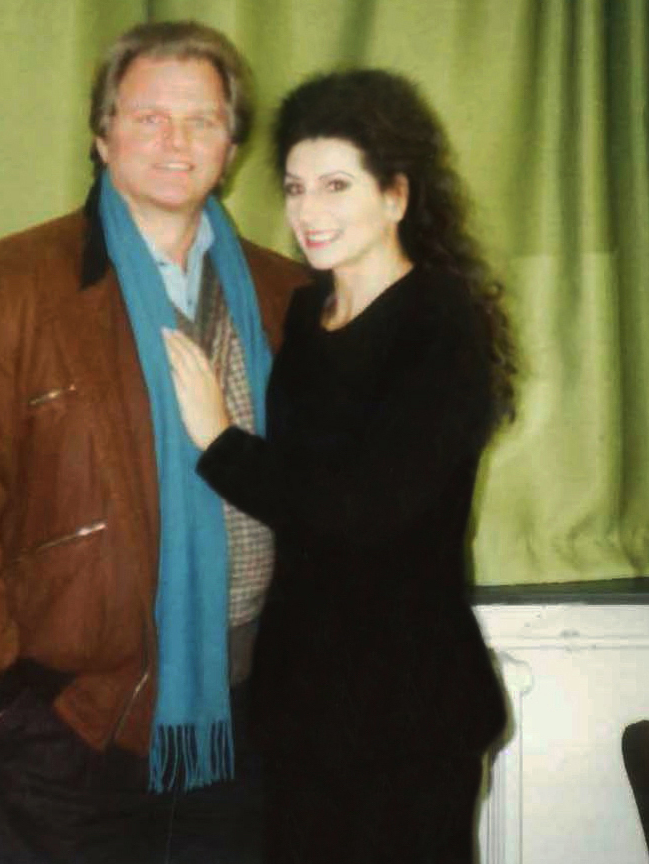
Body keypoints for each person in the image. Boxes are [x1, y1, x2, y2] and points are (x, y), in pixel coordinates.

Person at [0, 20, 308, 863]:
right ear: (102, 137)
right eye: (149, 118)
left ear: (230, 148)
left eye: (202, 121)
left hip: (250, 728)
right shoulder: (3, 293)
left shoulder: (288, 299)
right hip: (72, 737)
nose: (176, 142)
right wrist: (0, 699)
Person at [163, 68, 515, 863]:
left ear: (396, 195)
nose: (308, 212)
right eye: (295, 188)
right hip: (301, 702)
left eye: (335, 186)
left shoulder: (439, 323)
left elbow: (365, 513)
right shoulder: (303, 313)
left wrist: (219, 441)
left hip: (406, 710)